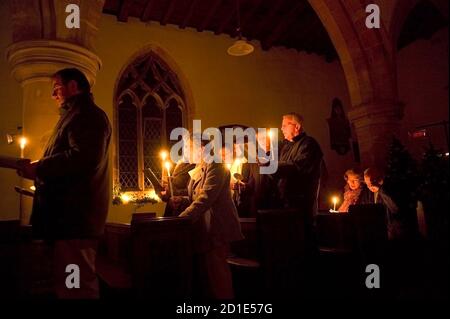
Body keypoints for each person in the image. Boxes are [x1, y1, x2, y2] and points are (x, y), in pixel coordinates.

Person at [18, 68, 112, 299]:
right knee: (69, 284)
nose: (53, 95)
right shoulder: (75, 115)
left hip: (75, 219)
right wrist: (40, 166)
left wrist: (40, 167)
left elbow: (83, 158)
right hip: (68, 220)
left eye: (56, 88)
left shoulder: (87, 115)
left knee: (76, 286)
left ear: (73, 86)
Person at [171, 137, 243, 299]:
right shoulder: (199, 167)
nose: (186, 152)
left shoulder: (216, 166)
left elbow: (206, 198)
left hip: (217, 227)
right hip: (204, 229)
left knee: (218, 277)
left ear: (202, 149)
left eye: (189, 148)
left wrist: (181, 221)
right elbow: (195, 198)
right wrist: (181, 200)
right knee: (208, 278)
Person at [270, 113, 323, 240]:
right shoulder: (286, 147)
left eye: (284, 125)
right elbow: (278, 173)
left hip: (300, 199)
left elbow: (296, 167)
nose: (281, 129)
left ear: (297, 126)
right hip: (284, 199)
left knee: (303, 236)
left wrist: (272, 166)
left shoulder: (308, 144)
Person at [360, 167, 403, 240]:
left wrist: (381, 191)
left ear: (380, 179)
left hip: (391, 230)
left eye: (372, 181)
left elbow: (395, 209)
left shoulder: (389, 189)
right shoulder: (367, 193)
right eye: (367, 184)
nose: (370, 186)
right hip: (376, 230)